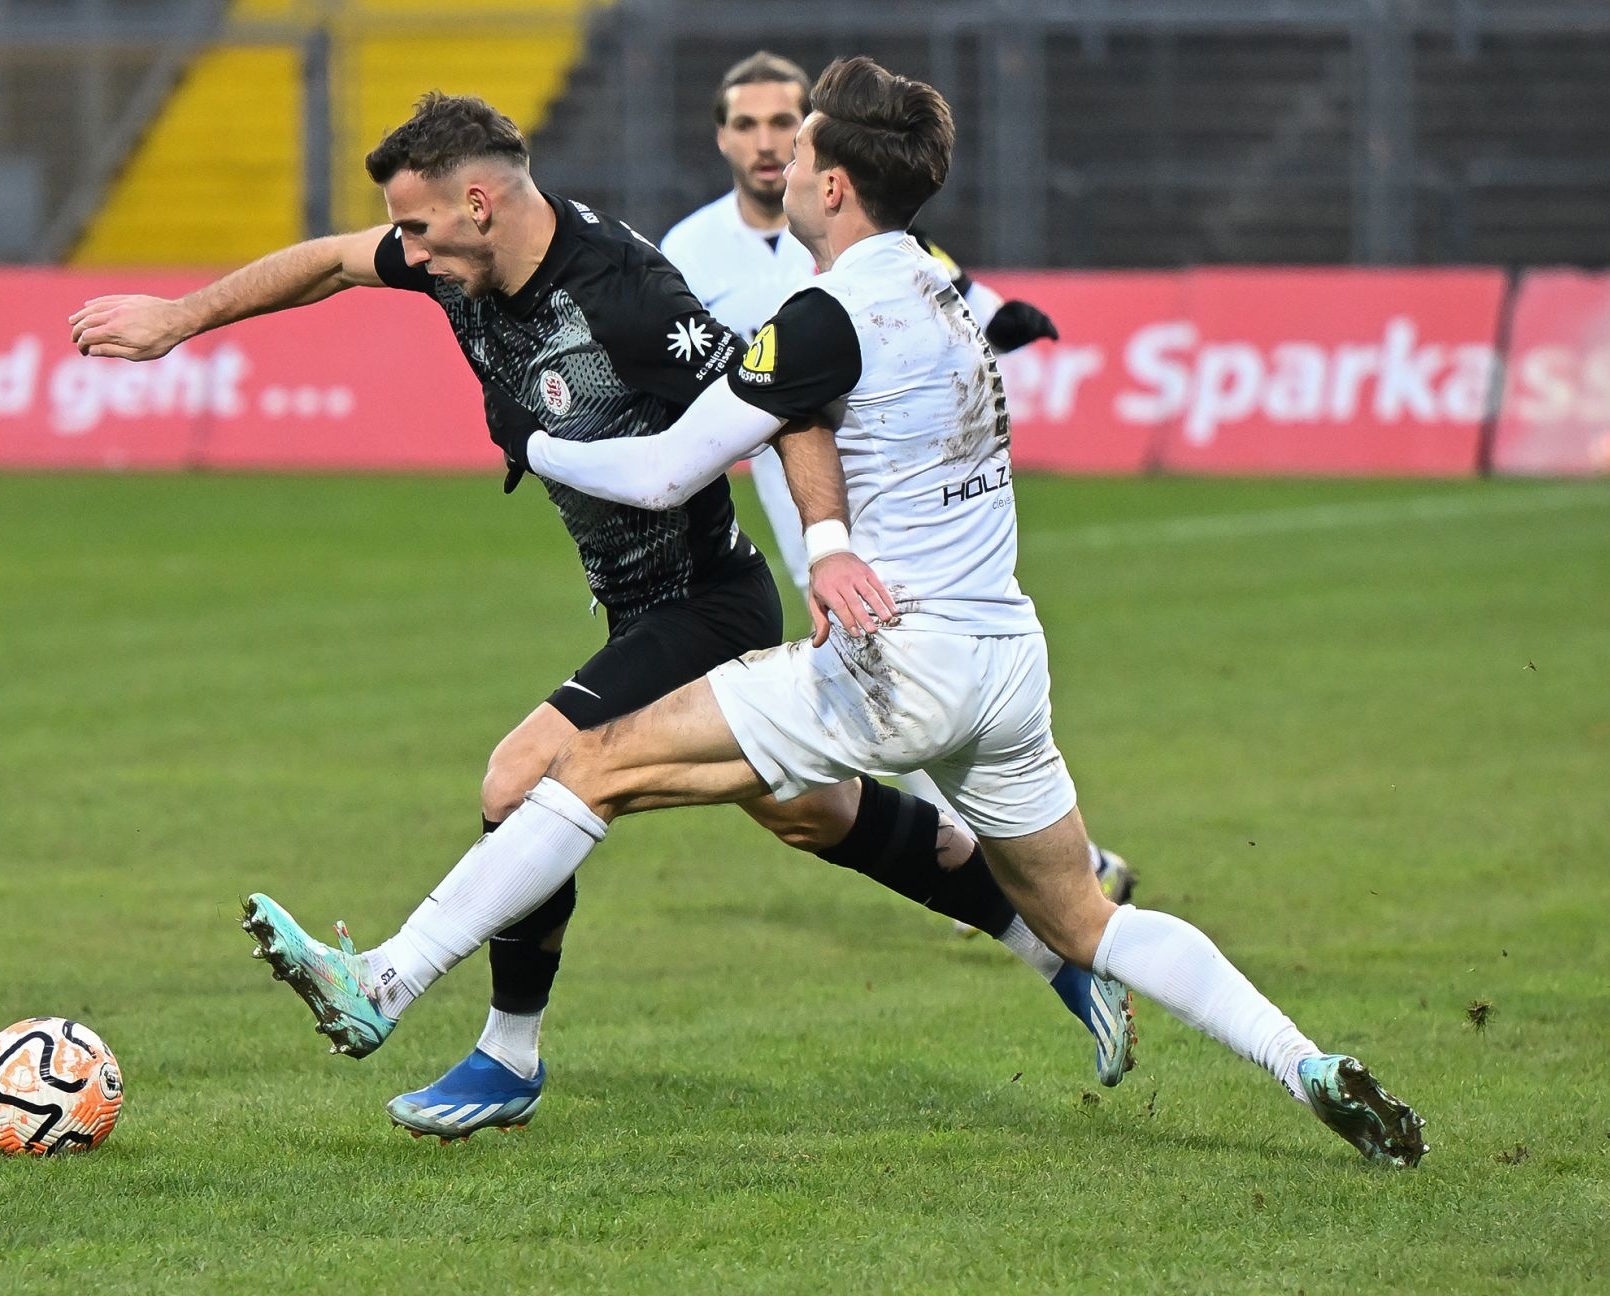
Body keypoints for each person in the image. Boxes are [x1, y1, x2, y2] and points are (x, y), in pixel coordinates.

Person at [238, 56, 1427, 1166]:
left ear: (836, 184)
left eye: (799, 152)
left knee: (583, 771)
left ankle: (385, 983)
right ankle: (1302, 1059)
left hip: (890, 663)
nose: (780, 168)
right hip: (1006, 661)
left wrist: (536, 438)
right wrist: (836, 539)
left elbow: (660, 473)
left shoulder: (820, 319)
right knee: (1082, 917)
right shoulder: (939, 291)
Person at [69, 90, 1134, 1140]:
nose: (405, 250)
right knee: (815, 813)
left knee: (520, 773)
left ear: (480, 203)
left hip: (704, 601)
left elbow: (789, 400)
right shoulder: (452, 257)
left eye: (419, 227)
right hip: (635, 604)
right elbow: (330, 261)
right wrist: (180, 320)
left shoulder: (627, 296)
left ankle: (504, 1052)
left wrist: (825, 544)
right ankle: (1054, 939)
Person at [661, 51, 1133, 933]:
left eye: (783, 123)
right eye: (748, 125)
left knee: (895, 683)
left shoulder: (847, 231)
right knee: (891, 689)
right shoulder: (687, 251)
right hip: (801, 488)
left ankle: (1025, 877)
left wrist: (998, 309)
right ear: (722, 138)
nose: (769, 143)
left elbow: (930, 272)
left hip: (890, 494)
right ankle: (1038, 875)